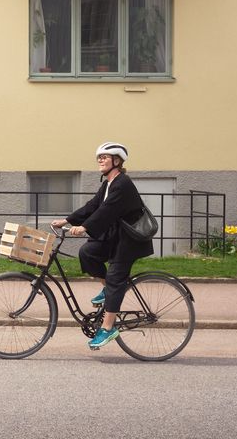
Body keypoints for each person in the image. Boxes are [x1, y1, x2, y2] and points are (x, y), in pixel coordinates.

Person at [51, 142, 154, 350]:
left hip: (129, 241)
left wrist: (84, 227)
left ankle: (107, 329)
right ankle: (108, 290)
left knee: (116, 278)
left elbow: (105, 211)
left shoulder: (122, 184)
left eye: (104, 157)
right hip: (115, 236)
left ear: (116, 161)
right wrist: (67, 220)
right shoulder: (108, 183)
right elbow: (93, 205)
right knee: (87, 252)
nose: (100, 160)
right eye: (99, 157)